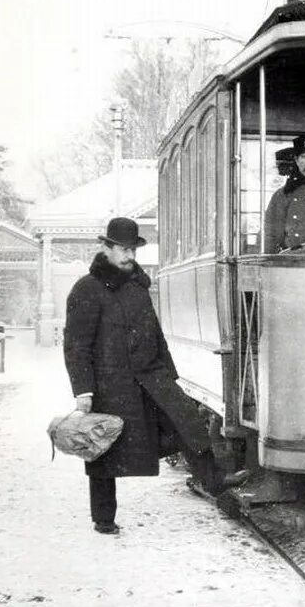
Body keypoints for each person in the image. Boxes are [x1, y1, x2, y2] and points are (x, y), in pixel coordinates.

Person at [63, 217, 211, 535]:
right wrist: (84, 390)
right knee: (103, 447)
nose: (129, 256)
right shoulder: (86, 289)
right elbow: (76, 346)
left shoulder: (137, 287)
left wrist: (169, 375)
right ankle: (103, 518)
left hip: (150, 375)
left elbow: (155, 334)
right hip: (109, 382)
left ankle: (216, 482)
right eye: (122, 250)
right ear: (106, 248)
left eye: (133, 249)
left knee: (187, 420)